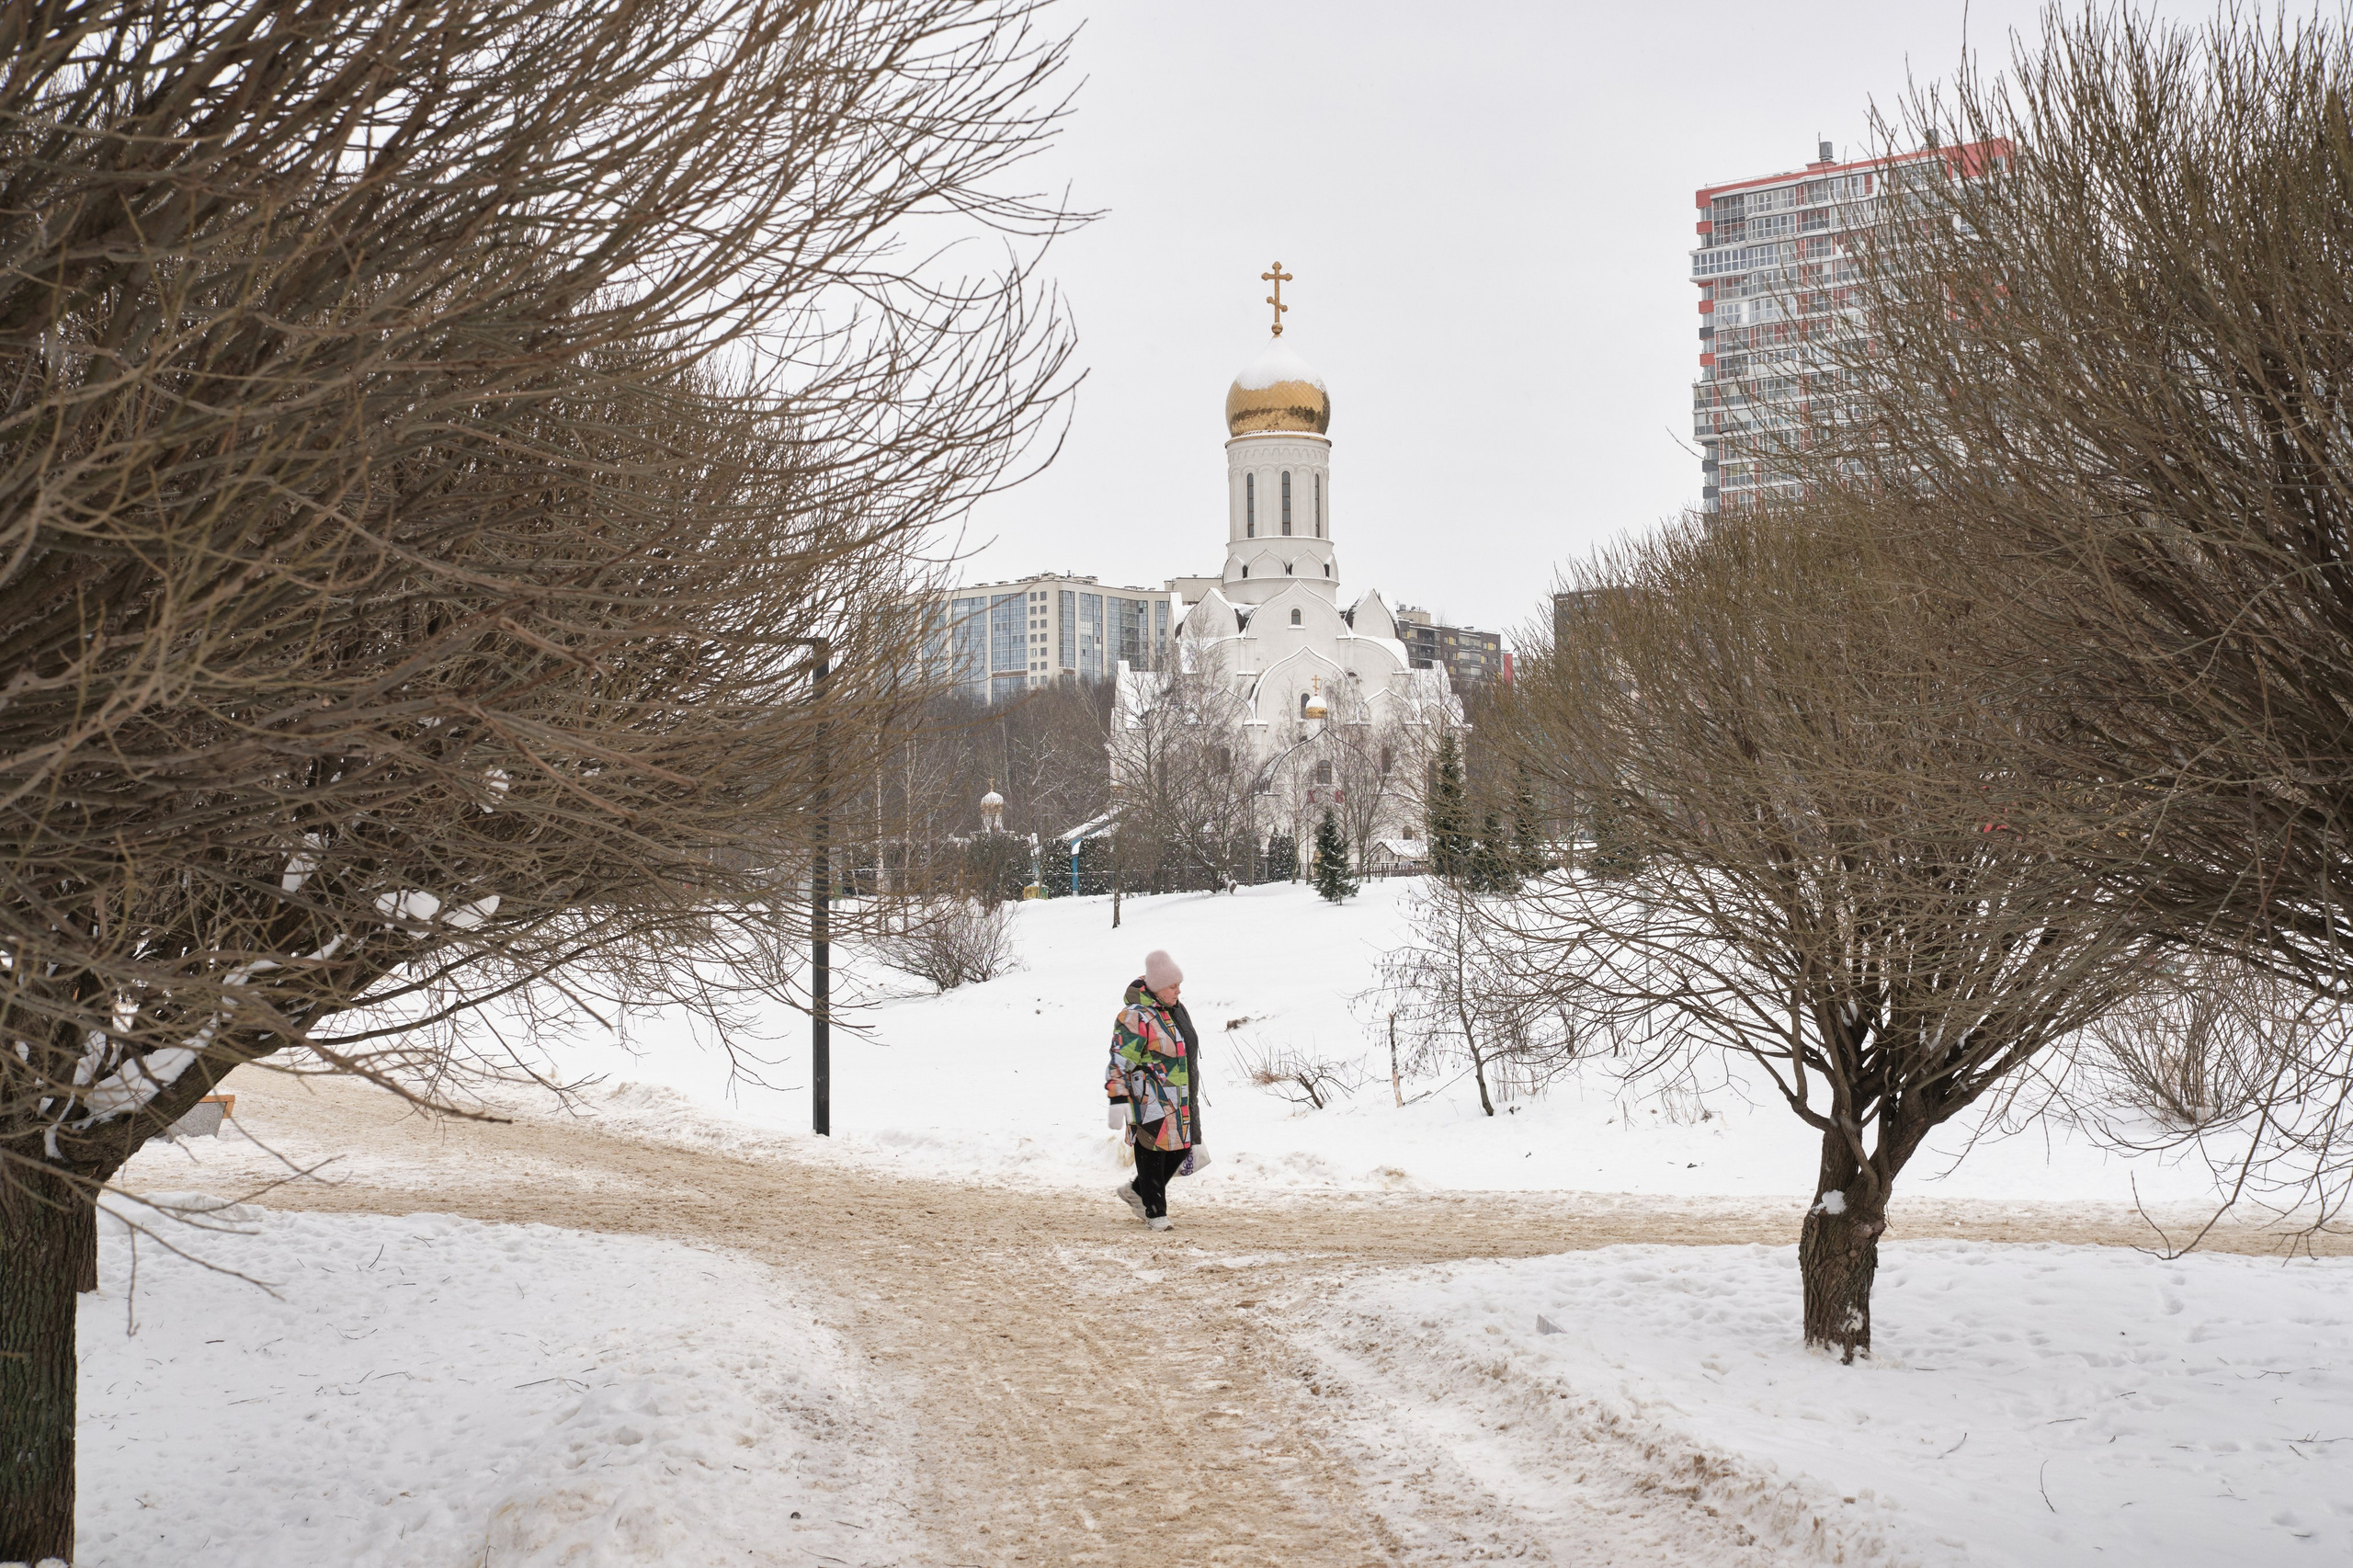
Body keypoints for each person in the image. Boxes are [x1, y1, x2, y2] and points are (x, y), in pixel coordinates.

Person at [1105, 949, 1200, 1231]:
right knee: (1151, 1151)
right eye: (1173, 986)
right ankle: (1156, 1212)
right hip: (1148, 1098)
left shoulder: (1171, 1012)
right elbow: (1120, 1058)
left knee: (1182, 1149)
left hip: (1177, 1097)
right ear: (1158, 988)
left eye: (1179, 985)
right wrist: (1117, 1096)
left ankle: (1137, 1191)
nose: (1178, 991)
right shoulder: (1135, 1017)